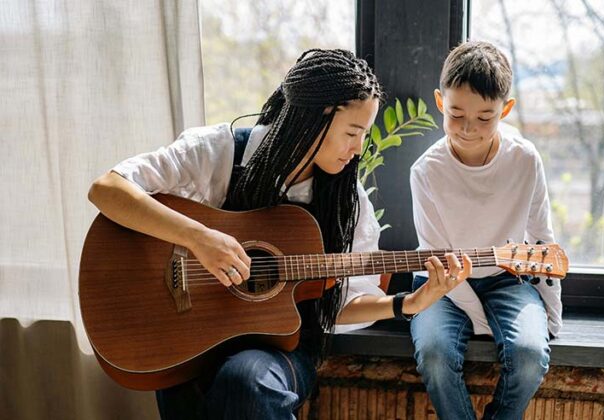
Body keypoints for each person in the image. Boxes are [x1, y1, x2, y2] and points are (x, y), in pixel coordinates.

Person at [88, 48, 472, 420]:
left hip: (281, 353)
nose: (358, 150)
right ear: (316, 118)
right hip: (190, 335)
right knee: (189, 387)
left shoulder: (347, 204)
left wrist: (409, 303)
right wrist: (199, 238)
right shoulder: (221, 152)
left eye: (364, 136)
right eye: (352, 133)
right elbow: (107, 189)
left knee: (248, 380)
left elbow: (340, 306)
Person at [409, 41, 563, 420]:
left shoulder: (524, 159)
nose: (467, 128)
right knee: (434, 355)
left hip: (506, 278)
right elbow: (438, 258)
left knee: (530, 356)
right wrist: (481, 320)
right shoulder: (425, 171)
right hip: (440, 284)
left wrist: (551, 315)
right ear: (440, 102)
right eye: (456, 112)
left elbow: (542, 238)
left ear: (505, 110)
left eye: (484, 117)